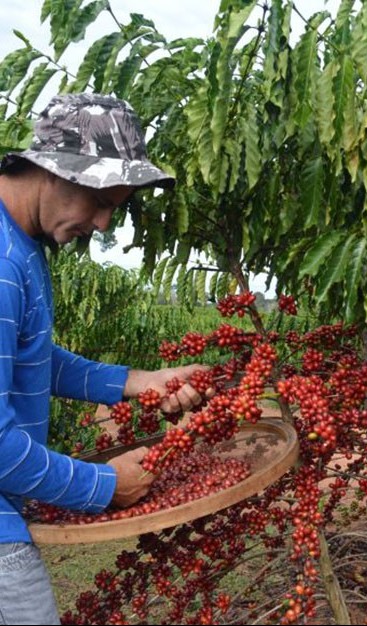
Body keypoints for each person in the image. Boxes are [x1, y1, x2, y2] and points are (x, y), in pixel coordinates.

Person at [0, 93, 207, 625]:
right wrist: (103, 486)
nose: (104, 223)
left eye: (115, 206)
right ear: (55, 171)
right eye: (101, 202)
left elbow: (33, 358)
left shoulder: (20, 245)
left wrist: (141, 381)